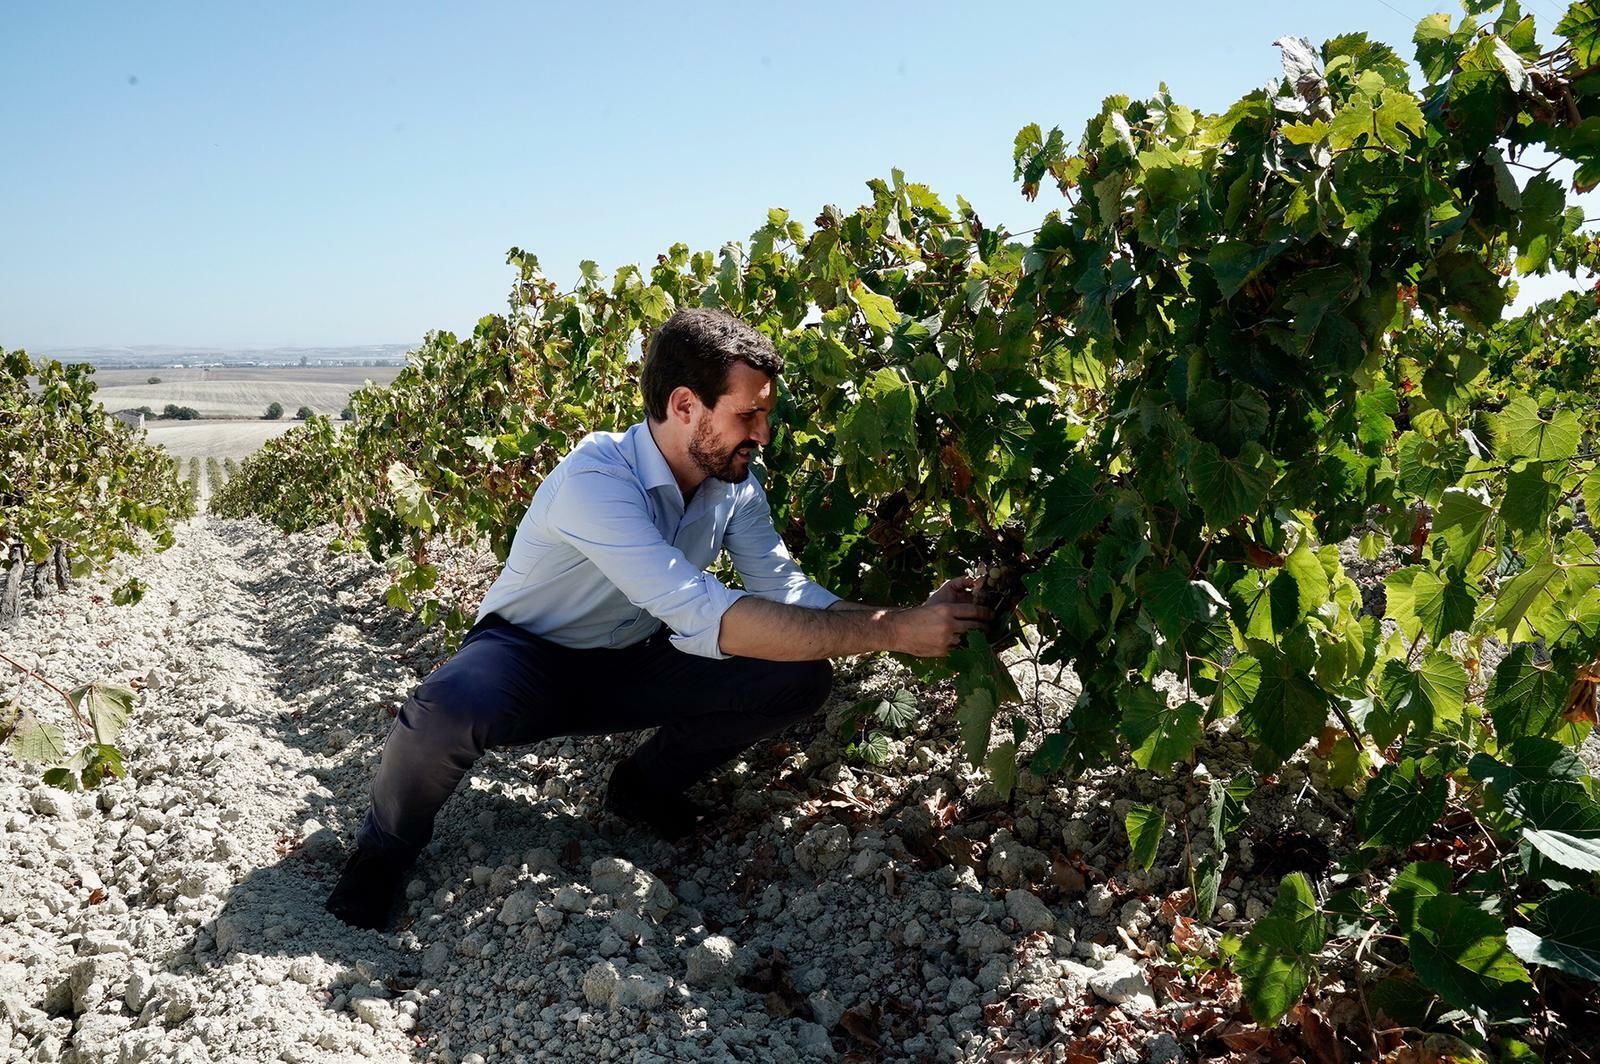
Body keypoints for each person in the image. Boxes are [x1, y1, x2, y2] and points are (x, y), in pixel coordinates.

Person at [325, 307, 992, 930]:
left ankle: (641, 789)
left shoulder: (736, 486)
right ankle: (384, 849)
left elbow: (786, 590)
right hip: (528, 658)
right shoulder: (598, 479)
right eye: (749, 415)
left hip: (636, 656)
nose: (763, 434)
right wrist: (892, 633)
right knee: (446, 705)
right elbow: (701, 610)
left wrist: (903, 616)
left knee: (799, 678)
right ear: (683, 406)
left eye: (766, 415)